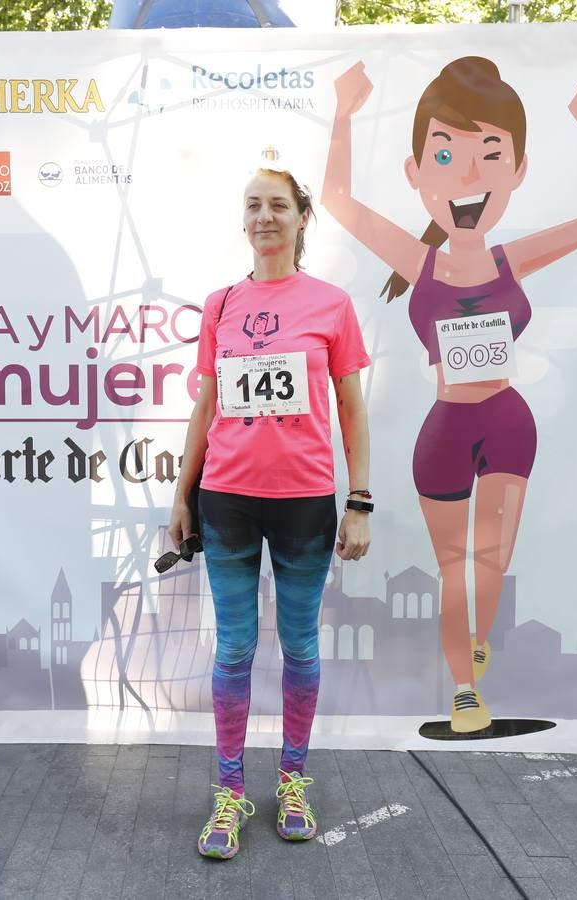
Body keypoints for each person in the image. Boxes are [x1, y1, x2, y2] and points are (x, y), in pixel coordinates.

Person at [323, 57, 577, 733]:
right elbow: (339, 202)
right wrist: (343, 113)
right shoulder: (417, 259)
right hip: (447, 431)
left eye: (491, 155)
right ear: (416, 172)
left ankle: (478, 638)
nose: (468, 174)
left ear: (517, 171)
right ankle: (465, 688)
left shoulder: (514, 260)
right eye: (446, 153)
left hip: (509, 423)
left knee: (492, 562)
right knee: (452, 563)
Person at [170, 164, 372, 860]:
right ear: (243, 218)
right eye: (253, 204)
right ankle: (230, 791)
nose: (264, 216)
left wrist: (361, 502)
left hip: (306, 502)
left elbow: (351, 407)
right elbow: (205, 405)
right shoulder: (220, 304)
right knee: (232, 648)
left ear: (301, 218)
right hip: (226, 497)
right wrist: (180, 492)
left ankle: (292, 781)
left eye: (278, 205)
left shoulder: (331, 305)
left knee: (301, 647)